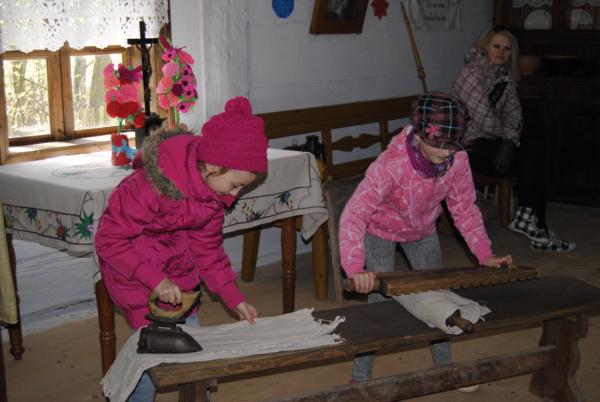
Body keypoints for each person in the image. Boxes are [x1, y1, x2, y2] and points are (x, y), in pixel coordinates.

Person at [95, 96, 268, 401]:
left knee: (195, 355)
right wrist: (156, 280)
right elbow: (109, 240)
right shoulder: (148, 187)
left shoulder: (213, 199)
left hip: (178, 277)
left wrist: (234, 298)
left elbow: (209, 254)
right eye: (235, 185)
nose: (234, 196)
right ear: (212, 166)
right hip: (135, 276)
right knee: (152, 357)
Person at [338, 92, 512, 392]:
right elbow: (355, 214)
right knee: (379, 305)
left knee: (437, 297)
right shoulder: (391, 165)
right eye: (439, 144)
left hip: (422, 231)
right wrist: (355, 268)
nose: (447, 152)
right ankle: (361, 377)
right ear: (419, 135)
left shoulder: (457, 160)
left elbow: (464, 208)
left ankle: (444, 367)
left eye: (453, 144)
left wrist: (484, 253)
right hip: (379, 231)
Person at [452, 26, 575, 252]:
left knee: (534, 140)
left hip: (493, 141)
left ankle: (531, 221)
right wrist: (509, 140)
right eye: (496, 46)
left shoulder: (505, 76)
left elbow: (515, 114)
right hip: (467, 145)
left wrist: (509, 142)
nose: (501, 52)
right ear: (485, 47)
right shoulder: (471, 74)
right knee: (531, 159)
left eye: (507, 49)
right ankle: (534, 226)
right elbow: (484, 120)